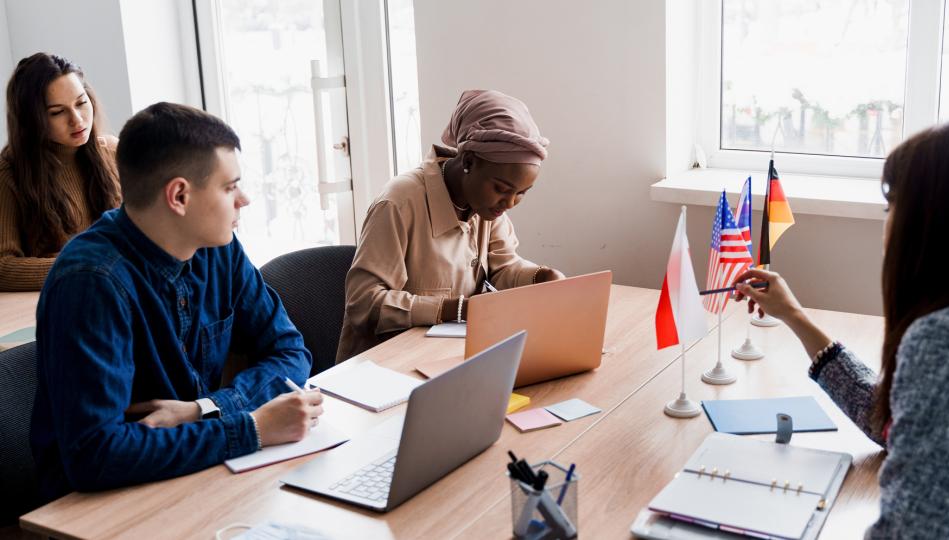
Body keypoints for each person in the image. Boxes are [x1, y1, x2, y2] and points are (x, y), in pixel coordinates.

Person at [733, 119, 949, 537]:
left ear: (935, 221)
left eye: (890, 206)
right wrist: (795, 316)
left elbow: (911, 530)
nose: (887, 222)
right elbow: (896, 424)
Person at [31, 102, 323, 501]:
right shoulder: (92, 282)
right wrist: (250, 428)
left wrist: (206, 409)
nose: (245, 199)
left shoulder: (217, 247)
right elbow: (95, 455)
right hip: (98, 507)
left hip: (191, 475)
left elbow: (289, 350)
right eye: (229, 186)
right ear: (179, 195)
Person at [336, 89, 565, 361]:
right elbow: (364, 303)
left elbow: (503, 267)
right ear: (468, 161)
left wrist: (540, 277)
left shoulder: (486, 206)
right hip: (383, 369)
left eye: (522, 192)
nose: (511, 202)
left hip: (445, 359)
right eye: (502, 189)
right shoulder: (399, 203)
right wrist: (451, 310)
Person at [0, 53, 120, 291]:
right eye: (57, 112)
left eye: (81, 103)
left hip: (120, 293)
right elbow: (3, 267)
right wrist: (85, 265)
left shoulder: (113, 152)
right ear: (32, 120)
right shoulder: (8, 174)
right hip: (62, 301)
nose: (77, 120)